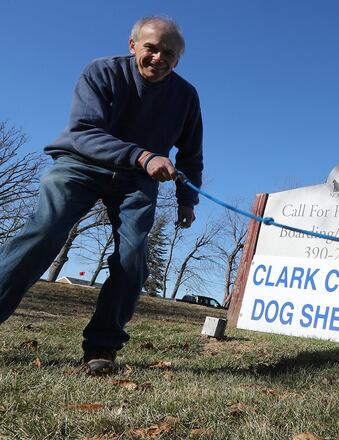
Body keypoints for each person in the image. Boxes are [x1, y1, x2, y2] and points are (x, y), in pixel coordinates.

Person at [0, 16, 203, 375]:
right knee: (43, 235)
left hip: (135, 181)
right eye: (151, 48)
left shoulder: (185, 96)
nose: (158, 58)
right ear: (133, 46)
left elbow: (191, 153)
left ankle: (102, 347)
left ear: (178, 59)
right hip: (81, 164)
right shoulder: (101, 72)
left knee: (133, 257)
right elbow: (84, 131)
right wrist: (143, 155)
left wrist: (188, 199)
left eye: (168, 53)